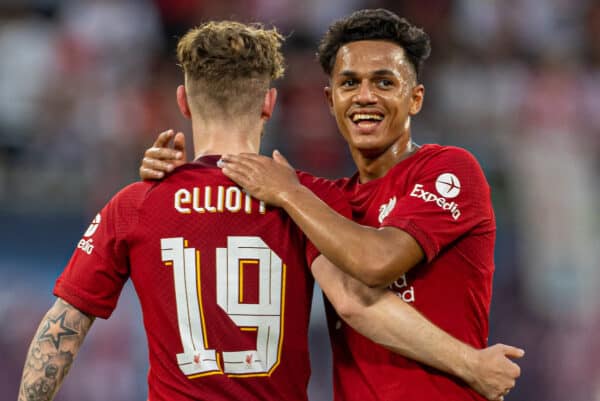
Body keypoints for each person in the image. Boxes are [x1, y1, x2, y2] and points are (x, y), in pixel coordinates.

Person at [17, 19, 519, 401]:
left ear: (183, 103)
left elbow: (64, 322)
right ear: (269, 104)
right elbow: (353, 301)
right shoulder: (309, 202)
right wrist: (470, 363)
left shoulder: (136, 203)